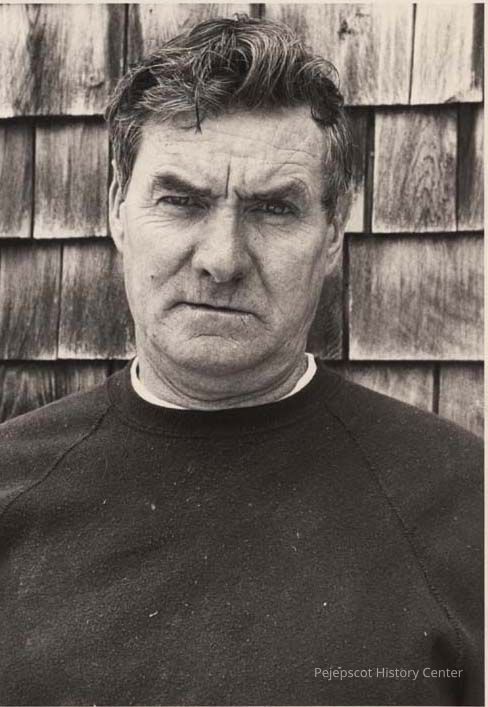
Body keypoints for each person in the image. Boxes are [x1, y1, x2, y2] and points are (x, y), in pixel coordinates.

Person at [0, 15, 482, 707]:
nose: (222, 259)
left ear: (333, 232)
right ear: (117, 212)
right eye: (181, 201)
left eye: (273, 209)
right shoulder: (12, 486)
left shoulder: (465, 501)